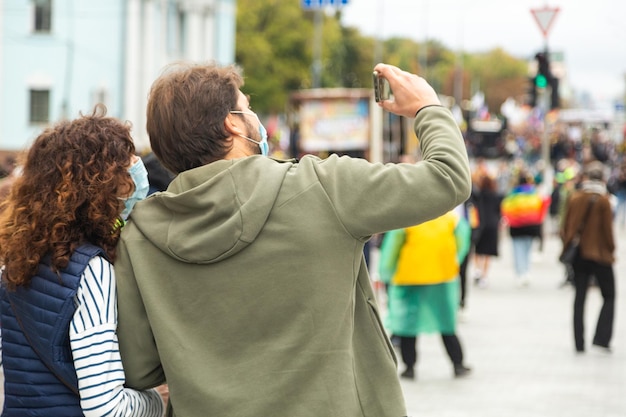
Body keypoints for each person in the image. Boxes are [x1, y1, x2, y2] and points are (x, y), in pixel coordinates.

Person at [113, 62, 471, 417]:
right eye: (248, 107)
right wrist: (428, 108)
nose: (254, 117)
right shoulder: (323, 187)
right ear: (232, 123)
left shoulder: (140, 236)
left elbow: (139, 368)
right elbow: (448, 178)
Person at [0, 106, 165, 416]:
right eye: (125, 169)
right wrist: (158, 400)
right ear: (100, 185)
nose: (135, 176)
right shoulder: (92, 271)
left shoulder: (15, 260)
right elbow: (106, 408)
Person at [378, 211, 472, 380]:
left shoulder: (406, 219)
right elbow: (463, 239)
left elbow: (392, 248)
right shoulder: (449, 218)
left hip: (410, 276)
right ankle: (458, 364)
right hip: (442, 276)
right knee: (446, 322)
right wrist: (453, 260)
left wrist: (386, 272)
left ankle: (409, 367)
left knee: (408, 325)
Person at [561, 161, 616, 353]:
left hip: (579, 255)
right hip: (600, 255)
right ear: (602, 178)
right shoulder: (604, 201)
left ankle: (579, 342)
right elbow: (608, 232)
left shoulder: (575, 198)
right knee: (609, 295)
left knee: (580, 297)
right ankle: (601, 338)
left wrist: (567, 245)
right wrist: (611, 249)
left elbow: (565, 226)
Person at [501, 172, 550, 287]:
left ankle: (520, 272)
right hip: (531, 226)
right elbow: (543, 204)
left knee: (517, 249)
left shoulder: (513, 194)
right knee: (528, 249)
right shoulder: (534, 193)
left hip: (516, 226)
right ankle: (527, 271)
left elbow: (505, 208)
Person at [471, 172, 503, 288]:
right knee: (488, 253)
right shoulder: (496, 196)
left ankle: (476, 269)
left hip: (480, 224)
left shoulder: (477, 196)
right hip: (492, 225)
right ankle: (484, 275)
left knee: (478, 249)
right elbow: (499, 211)